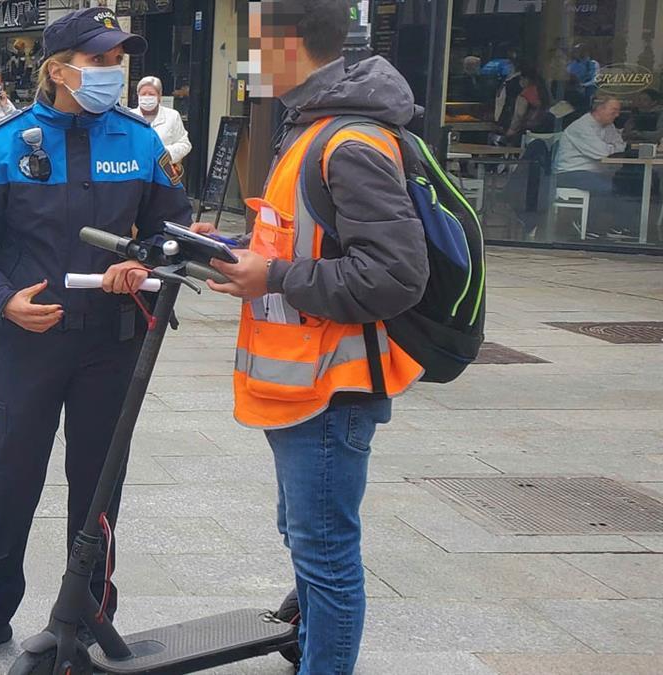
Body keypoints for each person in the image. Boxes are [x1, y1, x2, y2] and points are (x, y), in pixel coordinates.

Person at [116, 2, 428, 672]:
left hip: (330, 388)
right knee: (307, 539)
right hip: (302, 385)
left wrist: (276, 274)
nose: (249, 61)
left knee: (325, 554)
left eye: (256, 47)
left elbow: (396, 275)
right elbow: (303, 238)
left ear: (289, 45)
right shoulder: (312, 128)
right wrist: (232, 252)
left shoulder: (348, 142)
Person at [0, 7, 191, 662]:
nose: (114, 71)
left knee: (98, 482)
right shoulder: (3, 144)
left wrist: (145, 263)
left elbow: (174, 235)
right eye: (100, 60)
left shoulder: (139, 142)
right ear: (58, 69)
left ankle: (89, 612)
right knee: (11, 475)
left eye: (117, 60)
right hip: (29, 340)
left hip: (113, 342)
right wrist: (2, 300)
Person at [555, 95, 635, 239]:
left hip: (595, 172)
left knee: (627, 185)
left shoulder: (609, 126)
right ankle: (588, 226)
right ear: (600, 109)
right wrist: (612, 148)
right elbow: (602, 153)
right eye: (614, 111)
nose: (617, 115)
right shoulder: (581, 126)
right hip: (570, 172)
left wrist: (612, 148)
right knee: (605, 187)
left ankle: (618, 227)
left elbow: (621, 145)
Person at [131, 75, 192, 172]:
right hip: (135, 172)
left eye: (151, 94)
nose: (147, 97)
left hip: (163, 173)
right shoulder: (129, 117)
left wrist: (165, 153)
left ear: (159, 96)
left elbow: (185, 144)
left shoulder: (172, 116)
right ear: (138, 96)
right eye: (143, 94)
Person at [502, 66, 550, 144]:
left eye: (521, 79)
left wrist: (511, 130)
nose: (520, 81)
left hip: (527, 131)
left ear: (526, 79)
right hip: (543, 131)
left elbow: (519, 115)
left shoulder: (525, 94)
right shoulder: (543, 91)